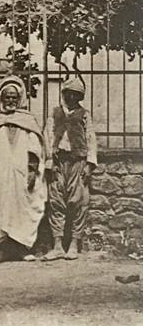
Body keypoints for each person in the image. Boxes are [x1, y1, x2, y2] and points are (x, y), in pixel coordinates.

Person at [0, 75, 46, 262]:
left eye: (14, 97)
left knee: (24, 207)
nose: (10, 101)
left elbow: (35, 146)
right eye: (7, 97)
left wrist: (32, 170)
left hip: (23, 173)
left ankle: (21, 248)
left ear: (20, 99)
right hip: (0, 172)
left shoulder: (28, 120)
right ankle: (3, 250)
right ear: (1, 98)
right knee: (0, 207)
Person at [42, 77, 97, 261]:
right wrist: (49, 161)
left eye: (76, 94)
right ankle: (57, 245)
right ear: (63, 94)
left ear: (80, 97)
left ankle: (74, 244)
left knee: (78, 201)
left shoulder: (84, 114)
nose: (71, 97)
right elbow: (47, 137)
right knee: (56, 201)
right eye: (69, 94)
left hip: (78, 162)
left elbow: (91, 138)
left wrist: (89, 164)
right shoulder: (54, 113)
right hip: (58, 162)